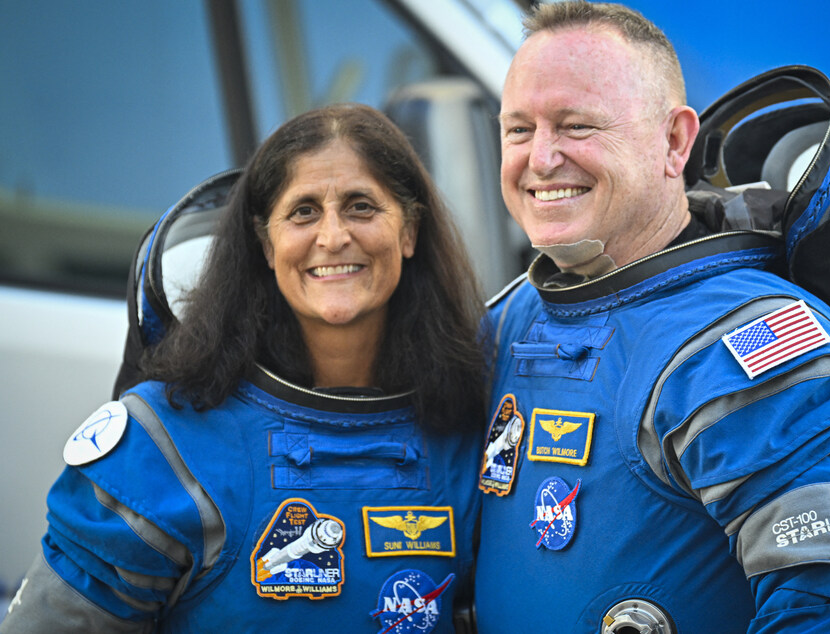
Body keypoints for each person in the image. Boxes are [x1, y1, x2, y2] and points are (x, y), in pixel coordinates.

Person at [473, 2, 830, 632]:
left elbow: (829, 613)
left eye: (576, 126)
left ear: (675, 140)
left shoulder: (754, 343)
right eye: (518, 130)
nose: (540, 159)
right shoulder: (513, 316)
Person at [2, 104, 486, 632]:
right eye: (303, 211)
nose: (332, 237)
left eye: (361, 207)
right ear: (266, 243)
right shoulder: (164, 447)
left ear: (410, 230)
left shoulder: (464, 430)